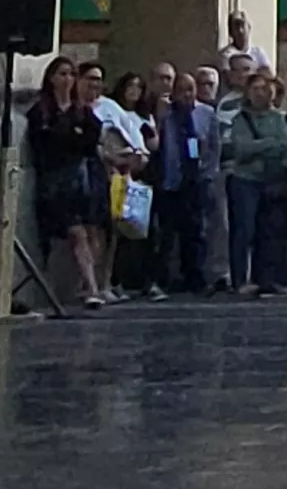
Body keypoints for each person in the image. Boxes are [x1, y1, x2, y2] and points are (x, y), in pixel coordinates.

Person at [26, 57, 110, 304]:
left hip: (78, 182)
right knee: (71, 233)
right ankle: (86, 288)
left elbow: (88, 140)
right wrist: (70, 137)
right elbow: (45, 143)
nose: (67, 79)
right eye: (62, 74)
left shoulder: (81, 111)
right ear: (51, 78)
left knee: (84, 232)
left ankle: (90, 287)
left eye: (70, 74)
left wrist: (71, 138)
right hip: (54, 181)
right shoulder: (42, 110)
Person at [222, 70, 287, 294]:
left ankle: (265, 279)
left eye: (264, 89)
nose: (259, 93)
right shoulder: (240, 119)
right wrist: (269, 143)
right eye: (254, 89)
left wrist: (262, 145)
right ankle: (240, 280)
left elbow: (286, 146)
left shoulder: (279, 118)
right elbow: (242, 149)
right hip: (244, 180)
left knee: (268, 232)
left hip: (271, 181)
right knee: (243, 230)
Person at [151, 69, 217, 295]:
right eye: (181, 91)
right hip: (171, 181)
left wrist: (208, 173)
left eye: (190, 90)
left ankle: (195, 276)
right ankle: (164, 278)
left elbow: (213, 147)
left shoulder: (207, 113)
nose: (186, 95)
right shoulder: (166, 114)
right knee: (167, 233)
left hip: (196, 180)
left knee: (196, 231)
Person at [103, 68, 157, 297]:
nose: (134, 91)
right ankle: (115, 280)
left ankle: (142, 280)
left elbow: (154, 145)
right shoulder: (112, 111)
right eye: (130, 86)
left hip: (140, 177)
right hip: (119, 174)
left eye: (139, 87)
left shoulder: (145, 115)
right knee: (118, 231)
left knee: (142, 230)